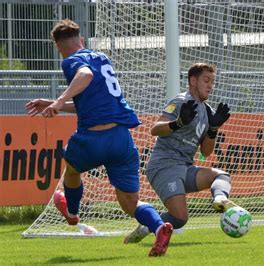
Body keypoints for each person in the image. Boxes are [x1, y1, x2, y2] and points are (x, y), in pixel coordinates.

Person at [25, 19, 172, 257]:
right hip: (121, 139)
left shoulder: (71, 61)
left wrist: (59, 101)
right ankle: (159, 228)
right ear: (81, 40)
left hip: (93, 138)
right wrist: (55, 103)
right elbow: (91, 102)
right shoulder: (102, 58)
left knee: (71, 170)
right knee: (130, 203)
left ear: (58, 47)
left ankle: (72, 214)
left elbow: (84, 75)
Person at [124, 63, 236, 243]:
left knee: (222, 176)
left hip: (185, 167)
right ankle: (148, 224)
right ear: (193, 80)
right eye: (206, 80)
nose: (210, 85)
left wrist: (213, 128)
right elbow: (155, 129)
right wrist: (178, 123)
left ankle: (220, 200)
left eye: (212, 82)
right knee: (180, 218)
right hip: (164, 166)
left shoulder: (208, 111)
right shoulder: (180, 102)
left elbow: (206, 152)